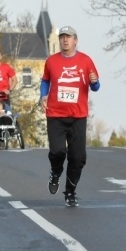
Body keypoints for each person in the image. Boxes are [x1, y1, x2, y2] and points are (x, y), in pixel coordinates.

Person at [40, 25, 100, 207]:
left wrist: (94, 82)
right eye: (62, 37)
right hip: (55, 114)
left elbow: (96, 86)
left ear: (75, 40)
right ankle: (55, 172)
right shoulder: (51, 61)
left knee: (78, 158)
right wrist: (43, 95)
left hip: (78, 116)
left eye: (69, 37)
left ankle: (70, 191)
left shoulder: (86, 61)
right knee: (57, 151)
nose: (65, 40)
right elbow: (45, 80)